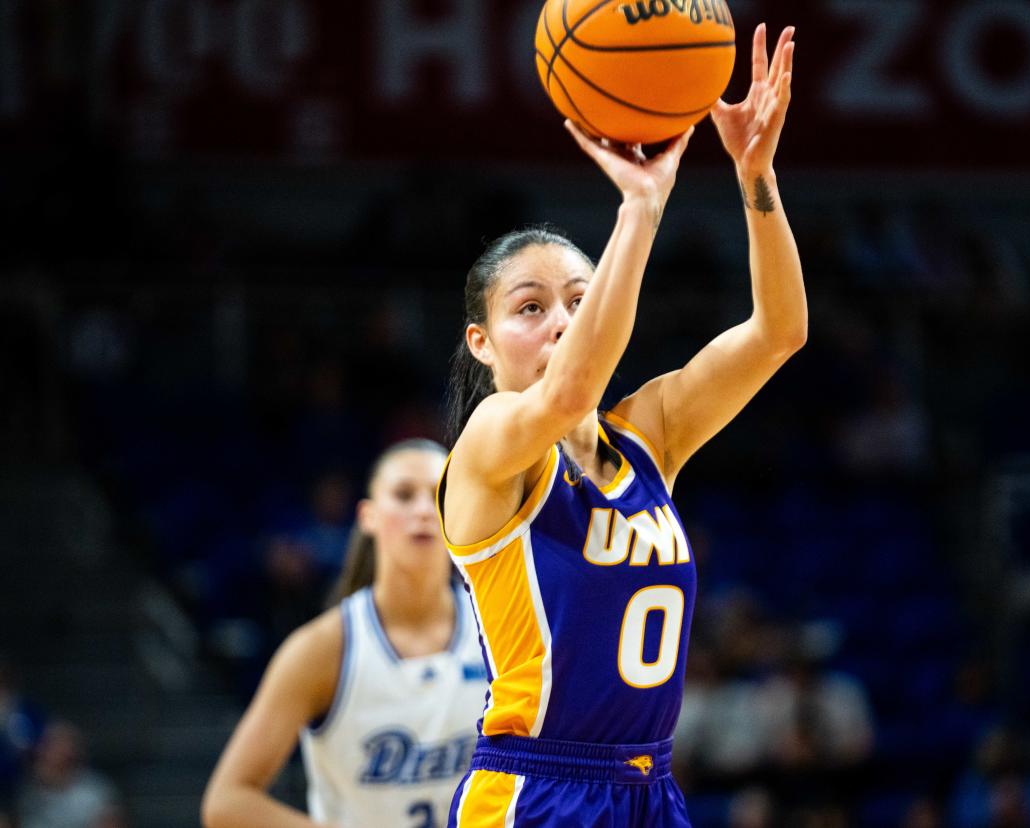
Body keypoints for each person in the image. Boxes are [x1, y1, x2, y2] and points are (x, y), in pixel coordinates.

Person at [438, 23, 804, 826]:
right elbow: (568, 396)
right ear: (482, 342)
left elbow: (779, 331)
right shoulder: (489, 447)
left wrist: (756, 176)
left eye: (578, 298)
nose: (563, 322)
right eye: (530, 308)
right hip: (536, 790)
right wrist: (640, 206)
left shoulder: (650, 437)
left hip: (651, 789)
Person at [202, 439, 487, 828]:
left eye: (438, 495)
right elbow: (226, 801)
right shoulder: (323, 648)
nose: (423, 509)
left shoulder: (496, 624)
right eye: (404, 495)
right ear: (367, 516)